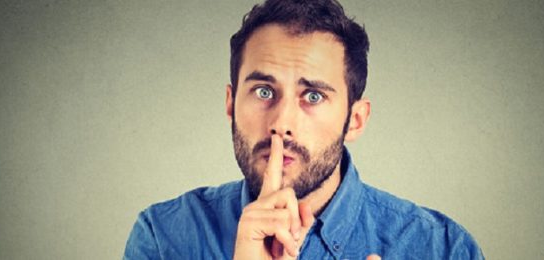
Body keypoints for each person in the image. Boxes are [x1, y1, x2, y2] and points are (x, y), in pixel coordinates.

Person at [124, 0, 484, 259]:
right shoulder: (164, 238)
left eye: (313, 96)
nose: (281, 124)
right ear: (231, 103)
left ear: (355, 120)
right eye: (263, 91)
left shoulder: (443, 250)